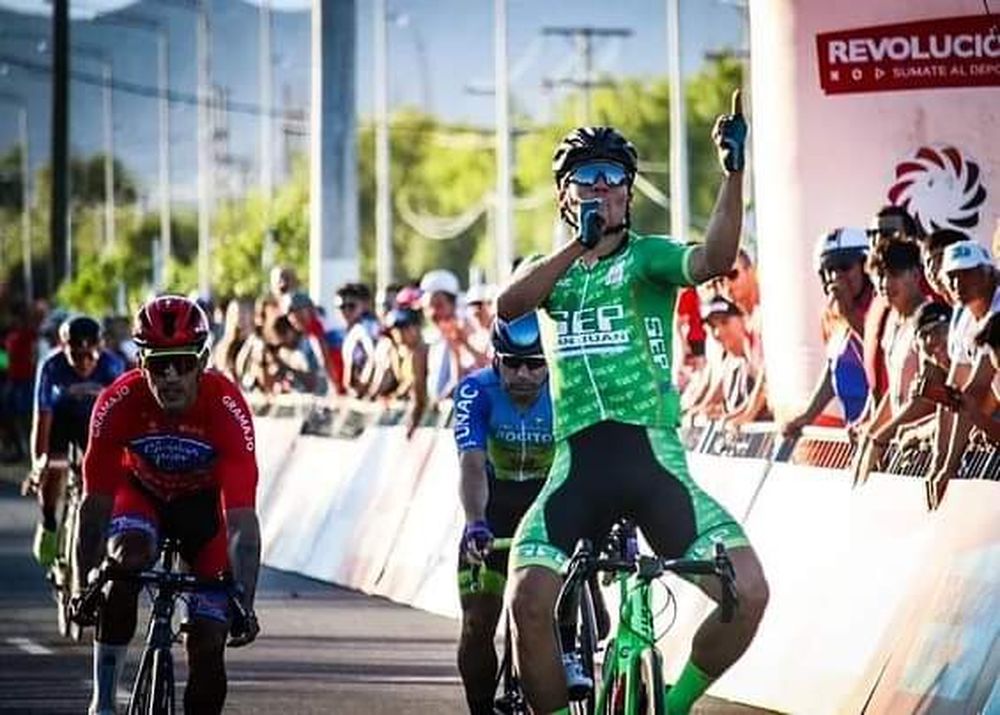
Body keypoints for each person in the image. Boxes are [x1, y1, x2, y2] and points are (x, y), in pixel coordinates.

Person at [497, 92, 769, 715]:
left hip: (653, 464)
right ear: (566, 195)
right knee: (526, 603)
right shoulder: (553, 271)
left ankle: (673, 707)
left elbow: (715, 259)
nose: (601, 188)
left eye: (613, 178)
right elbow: (509, 307)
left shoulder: (646, 258)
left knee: (748, 592)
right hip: (577, 470)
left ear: (629, 190)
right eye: (585, 178)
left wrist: (733, 173)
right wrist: (577, 247)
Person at [72, 295, 261, 715]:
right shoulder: (116, 402)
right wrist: (84, 580)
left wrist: (244, 600)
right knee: (125, 561)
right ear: (141, 364)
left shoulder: (227, 407)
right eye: (159, 363)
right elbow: (95, 505)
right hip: (142, 496)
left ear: (203, 361)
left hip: (203, 511)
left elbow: (242, 524)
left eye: (182, 362)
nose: (171, 375)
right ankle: (103, 702)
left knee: (209, 642)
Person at [453, 313, 555, 715]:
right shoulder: (476, 391)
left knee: (559, 608)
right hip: (493, 507)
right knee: (478, 625)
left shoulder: (568, 389)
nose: (524, 374)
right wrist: (475, 522)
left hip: (549, 503)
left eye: (535, 363)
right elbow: (471, 464)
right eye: (512, 362)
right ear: (495, 360)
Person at [26, 316, 124, 568]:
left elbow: (123, 421)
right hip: (60, 421)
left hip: (94, 422)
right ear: (63, 347)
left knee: (102, 477)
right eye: (76, 355)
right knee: (53, 467)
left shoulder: (113, 366)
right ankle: (49, 521)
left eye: (89, 355)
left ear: (100, 349)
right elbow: (42, 419)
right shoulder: (51, 366)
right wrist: (39, 464)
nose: (83, 362)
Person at [782, 227, 874, 437]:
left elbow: (882, 359)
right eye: (830, 270)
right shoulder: (832, 314)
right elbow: (835, 367)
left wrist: (850, 313)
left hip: (882, 433)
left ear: (865, 266)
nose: (837, 277)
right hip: (857, 432)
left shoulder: (881, 306)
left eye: (845, 267)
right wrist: (807, 416)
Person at [926, 240, 998, 508]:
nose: (958, 283)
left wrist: (949, 465)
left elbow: (975, 390)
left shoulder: (996, 312)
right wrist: (939, 461)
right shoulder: (966, 315)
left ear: (990, 272)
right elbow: (953, 389)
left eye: (968, 273)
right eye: (952, 276)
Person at [422, 269, 490, 402]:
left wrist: (463, 342)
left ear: (453, 304)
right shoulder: (432, 338)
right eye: (428, 307)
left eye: (439, 305)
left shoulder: (469, 332)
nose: (432, 313)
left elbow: (483, 368)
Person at [384, 306, 430, 437]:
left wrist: (411, 425)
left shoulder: (419, 353)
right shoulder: (401, 354)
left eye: (404, 327)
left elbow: (419, 394)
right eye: (395, 329)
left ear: (416, 327)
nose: (399, 333)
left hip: (425, 421)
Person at [336, 282, 382, 397]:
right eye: (342, 307)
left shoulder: (366, 327)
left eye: (351, 306)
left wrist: (364, 388)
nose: (346, 311)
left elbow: (375, 357)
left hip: (370, 395)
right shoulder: (352, 330)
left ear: (364, 305)